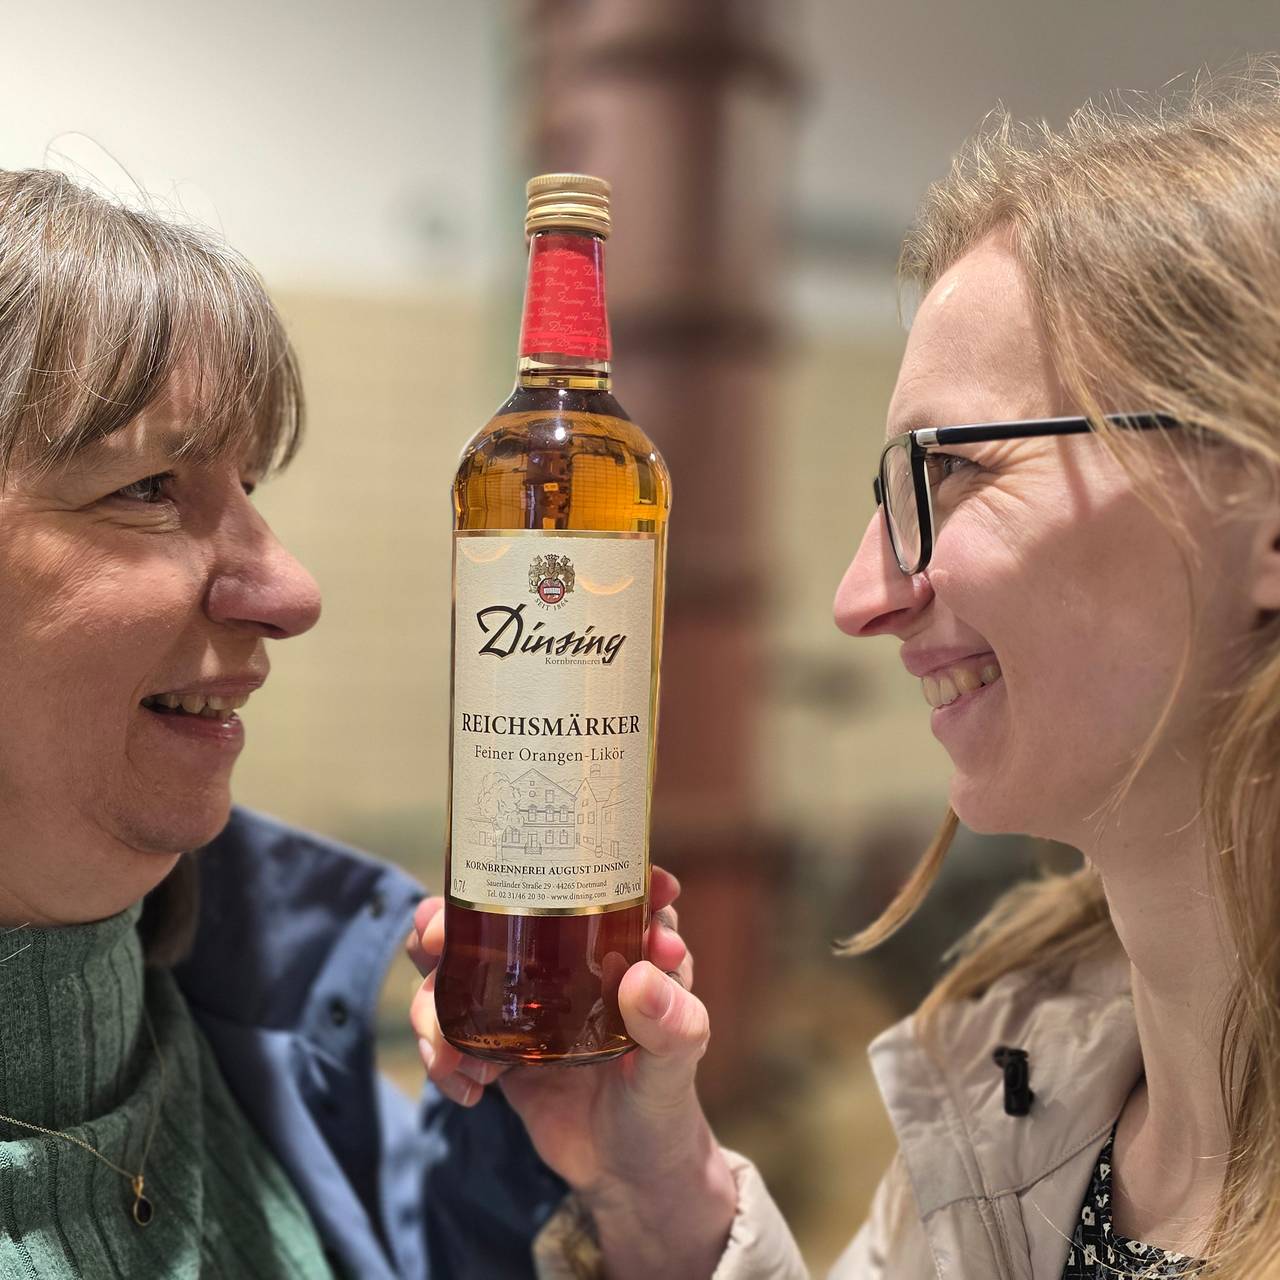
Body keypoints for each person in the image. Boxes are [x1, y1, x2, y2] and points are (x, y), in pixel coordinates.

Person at [409, 66, 1280, 1279]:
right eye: (885, 496)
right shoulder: (1001, 1064)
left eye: (956, 470)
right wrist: (660, 1195)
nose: (857, 595)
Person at [0, 168, 568, 1279]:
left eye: (252, 482)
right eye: (150, 485)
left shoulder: (276, 1043)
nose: (291, 588)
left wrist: (598, 1176)